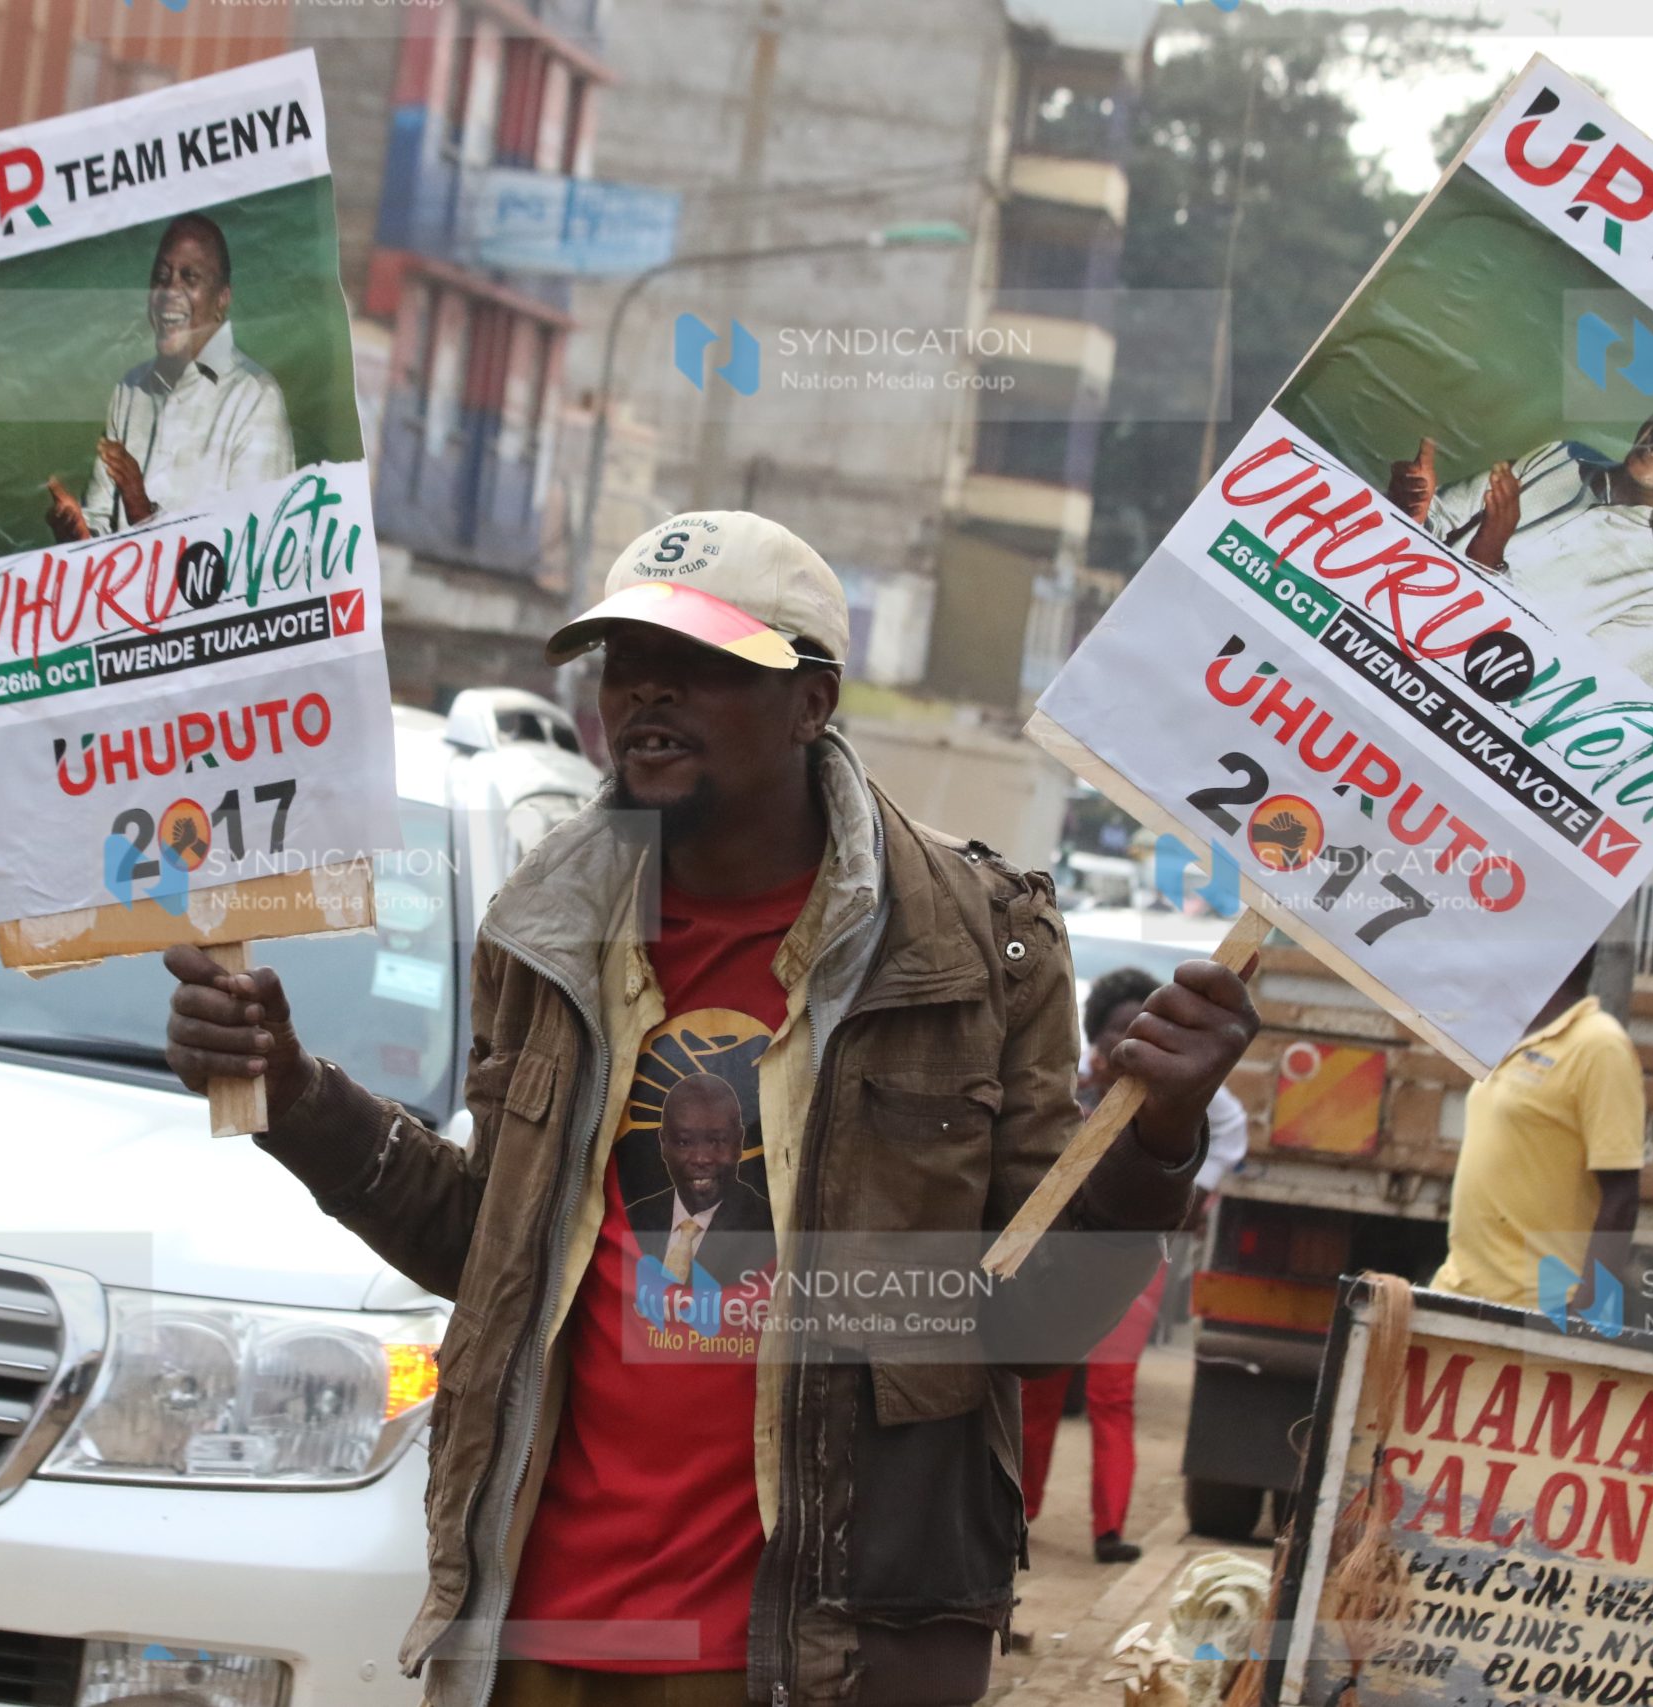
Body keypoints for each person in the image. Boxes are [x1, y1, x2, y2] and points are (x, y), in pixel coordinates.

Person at [161, 509, 1259, 1707]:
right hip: (541, 1621)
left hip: (818, 1644)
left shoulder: (977, 943)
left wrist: (1158, 1135)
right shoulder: (546, 928)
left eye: (702, 669)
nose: (646, 698)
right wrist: (294, 1097)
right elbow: (493, 1252)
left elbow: (1037, 1320)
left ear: (812, 701)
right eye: (626, 666)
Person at [1019, 967, 1252, 1565]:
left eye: (1138, 1029)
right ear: (1098, 1038)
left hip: (1129, 1257)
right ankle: (1020, 1513)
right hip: (1053, 1253)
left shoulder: (1174, 1080)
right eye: (1115, 1034)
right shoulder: (1066, 1081)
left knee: (1112, 1389)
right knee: (1035, 1390)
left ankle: (1109, 1529)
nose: (1128, 1044)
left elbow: (1230, 1127)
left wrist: (1194, 1190)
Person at [1386, 386, 1653, 692]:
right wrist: (1411, 509)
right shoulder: (1562, 456)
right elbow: (1433, 524)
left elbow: (1544, 703)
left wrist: (1488, 561)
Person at [46, 211, 296, 541]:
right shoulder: (130, 390)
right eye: (161, 277)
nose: (169, 291)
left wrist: (143, 513)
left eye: (189, 278)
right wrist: (79, 533)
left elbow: (252, 553)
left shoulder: (256, 399)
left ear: (222, 300)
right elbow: (100, 526)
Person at [1429, 949, 1641, 1317]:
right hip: (1458, 1292)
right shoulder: (1513, 1034)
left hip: (1538, 1308)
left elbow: (1621, 1195)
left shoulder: (1599, 1045)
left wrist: (1590, 1311)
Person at [626, 1072, 774, 1288]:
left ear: (739, 1143)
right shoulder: (634, 1218)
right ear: (663, 1143)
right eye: (684, 1142)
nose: (701, 1159)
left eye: (716, 1141)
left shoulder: (768, 1227)